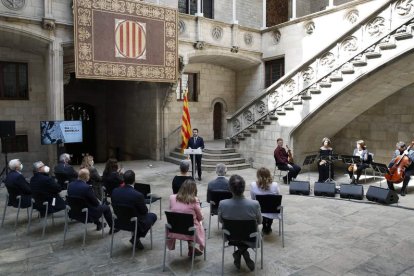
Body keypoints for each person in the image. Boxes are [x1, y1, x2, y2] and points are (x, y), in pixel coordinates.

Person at [218, 175, 262, 271]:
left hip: (231, 237)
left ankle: (238, 253)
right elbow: (260, 221)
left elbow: (220, 221)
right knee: (249, 232)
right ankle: (244, 253)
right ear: (244, 187)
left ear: (230, 188)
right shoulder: (254, 204)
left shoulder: (222, 203)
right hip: (250, 238)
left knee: (237, 232)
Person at [111, 170, 157, 249]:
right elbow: (144, 211)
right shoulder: (138, 195)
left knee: (137, 216)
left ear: (123, 180)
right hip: (134, 223)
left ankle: (135, 238)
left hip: (118, 221)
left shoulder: (115, 191)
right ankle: (136, 237)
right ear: (134, 180)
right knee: (152, 216)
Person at [67, 168, 116, 233]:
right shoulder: (86, 187)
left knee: (89, 205)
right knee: (106, 207)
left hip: (74, 212)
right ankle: (113, 227)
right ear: (86, 177)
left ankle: (99, 224)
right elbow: (96, 203)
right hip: (87, 214)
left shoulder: (70, 185)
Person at [168, 179, 205, 257]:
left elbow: (172, 210)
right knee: (197, 223)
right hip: (190, 230)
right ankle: (192, 248)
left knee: (186, 221)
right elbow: (200, 217)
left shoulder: (172, 197)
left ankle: (191, 249)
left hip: (175, 229)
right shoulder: (194, 200)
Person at [250, 167, 280, 235]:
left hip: (259, 210)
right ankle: (268, 225)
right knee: (271, 205)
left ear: (258, 175)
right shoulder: (275, 185)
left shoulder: (253, 185)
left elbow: (252, 198)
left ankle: (264, 226)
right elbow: (277, 196)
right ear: (269, 175)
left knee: (260, 206)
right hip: (272, 210)